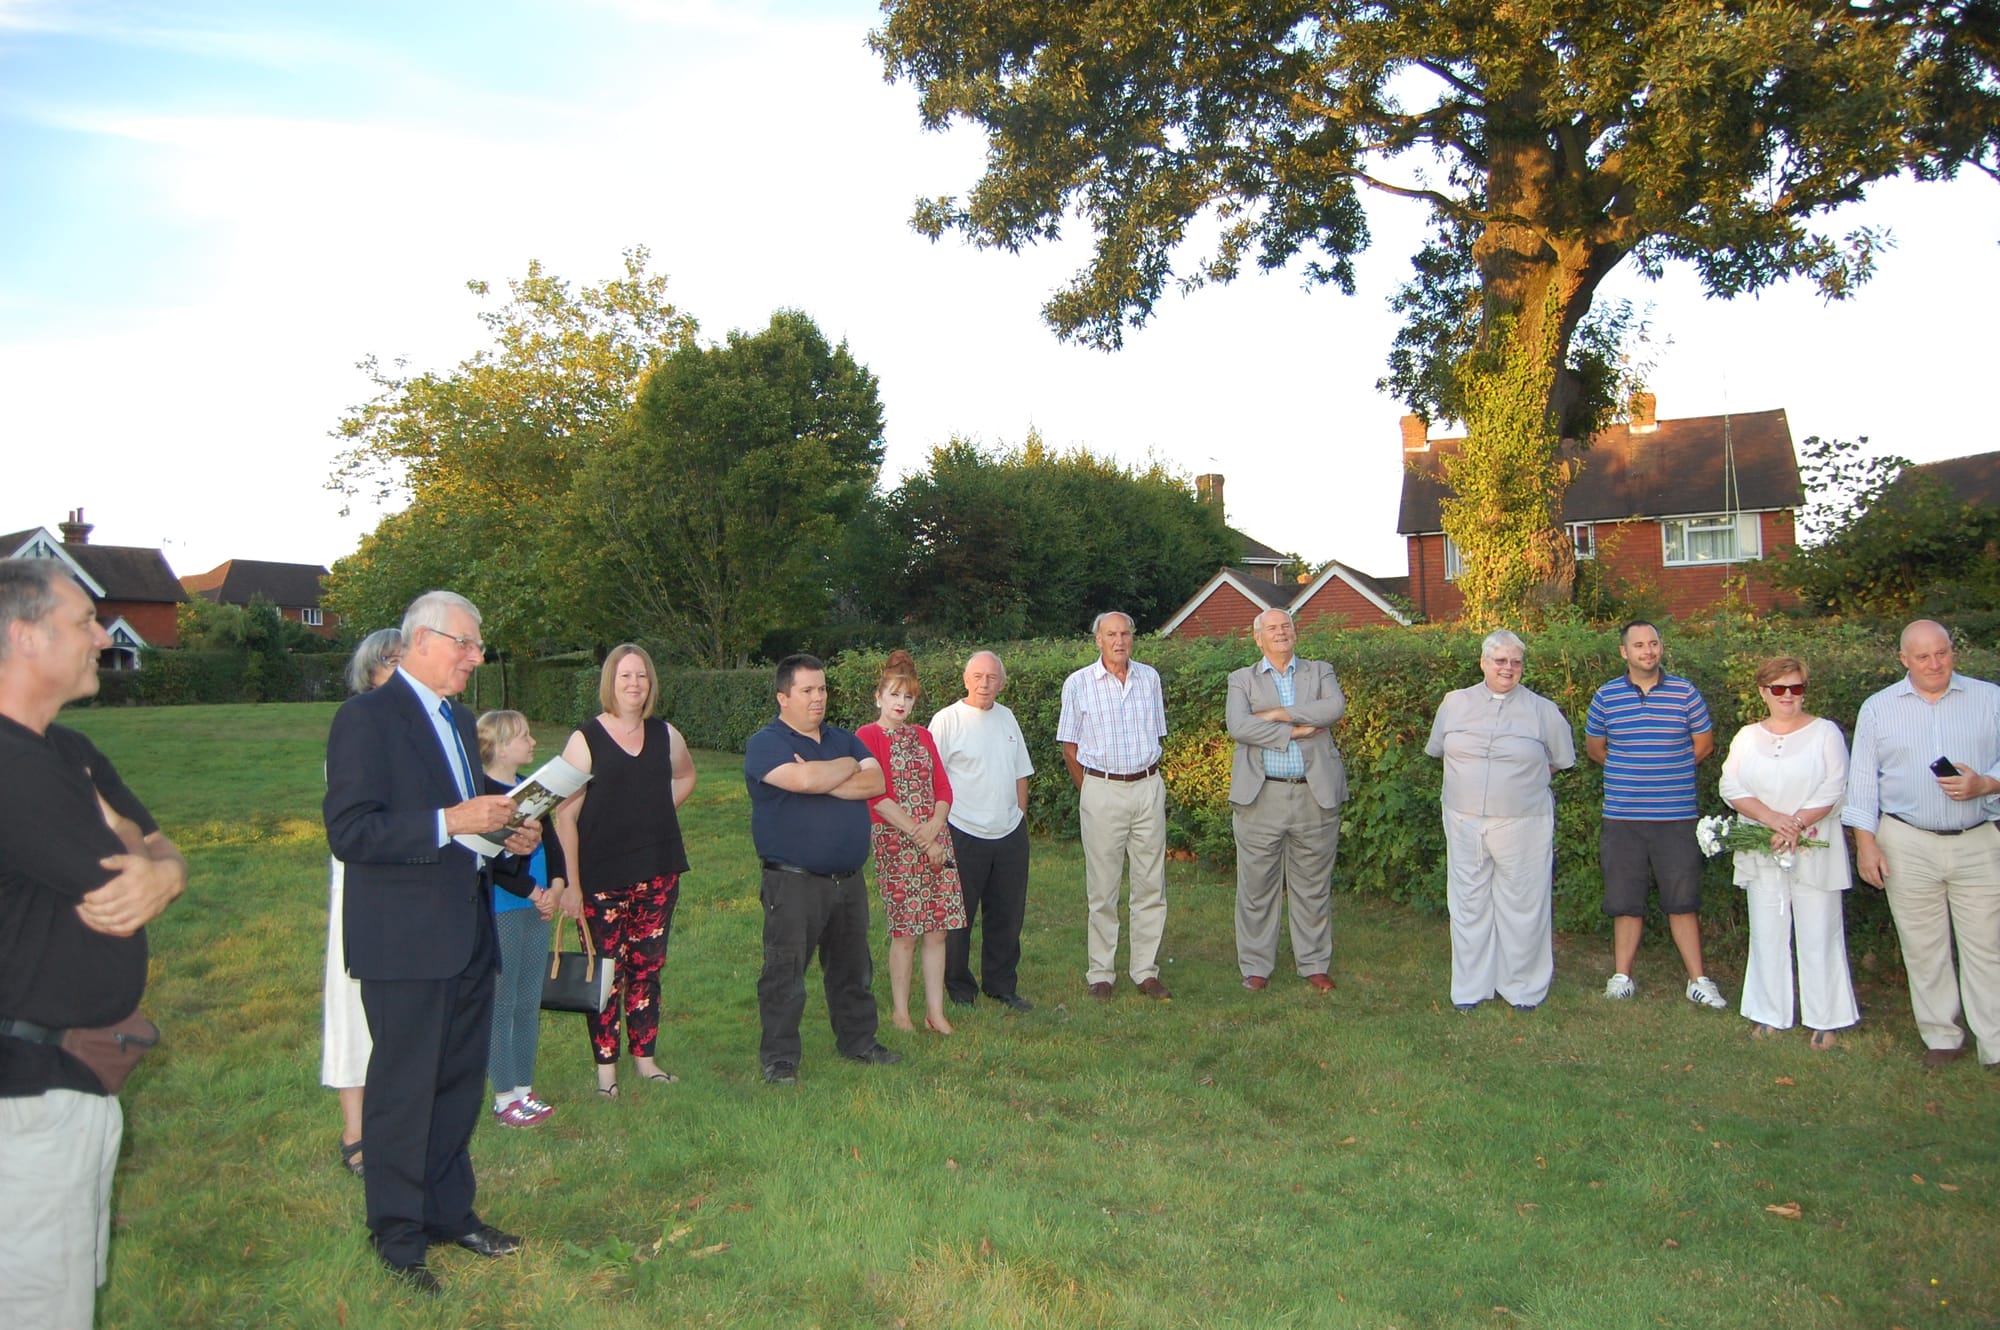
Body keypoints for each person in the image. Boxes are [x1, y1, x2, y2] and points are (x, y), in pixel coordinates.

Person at [323, 589, 534, 1293]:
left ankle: (449, 1213)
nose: (476, 657)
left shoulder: (459, 717)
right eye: (465, 643)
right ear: (421, 641)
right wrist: (451, 819)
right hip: (404, 940)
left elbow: (470, 827)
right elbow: (351, 832)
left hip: (467, 929)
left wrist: (510, 836)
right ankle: (397, 1234)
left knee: (454, 1084)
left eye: (478, 645)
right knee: (403, 1090)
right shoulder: (365, 719)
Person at [0, 559, 186, 1330]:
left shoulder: (68, 749)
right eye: (81, 622)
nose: (100, 638)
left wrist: (165, 873)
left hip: (67, 1084)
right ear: (21, 634)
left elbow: (155, 845)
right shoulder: (12, 767)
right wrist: (144, 854)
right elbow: (116, 860)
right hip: (23, 1102)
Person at [1842, 619, 2000, 1070]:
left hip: (1978, 840)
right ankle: (1943, 1037)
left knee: (1987, 947)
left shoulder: (1990, 699)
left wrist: (1986, 783)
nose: (1935, 663)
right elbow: (1863, 783)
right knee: (1922, 947)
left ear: (1953, 652)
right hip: (1906, 840)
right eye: (1923, 656)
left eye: (1942, 653)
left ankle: (1996, 1044)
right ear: (1903, 660)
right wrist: (1865, 844)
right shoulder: (1878, 708)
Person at [746, 653, 898, 1085]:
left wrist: (828, 772)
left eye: (823, 689)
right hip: (792, 882)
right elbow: (804, 782)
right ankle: (780, 1060)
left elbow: (877, 782)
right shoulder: (766, 744)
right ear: (783, 697)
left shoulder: (843, 738)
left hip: (847, 881)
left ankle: (859, 1042)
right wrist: (841, 771)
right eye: (808, 690)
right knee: (784, 973)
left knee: (853, 969)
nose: (819, 698)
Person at [551, 644, 695, 1097]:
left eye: (642, 677)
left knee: (646, 969)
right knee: (606, 977)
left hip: (657, 872)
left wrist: (656, 814)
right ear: (610, 683)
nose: (634, 685)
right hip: (600, 879)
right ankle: (606, 1074)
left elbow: (686, 776)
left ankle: (646, 1061)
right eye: (625, 677)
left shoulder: (666, 735)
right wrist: (572, 885)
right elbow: (564, 816)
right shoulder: (586, 739)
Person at [1425, 630, 1576, 1011]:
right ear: (1483, 662)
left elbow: (1560, 760)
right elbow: (1441, 750)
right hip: (1463, 821)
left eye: (1515, 662)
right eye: (1500, 661)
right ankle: (1471, 988)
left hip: (1523, 822)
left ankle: (1522, 988)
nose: (1507, 668)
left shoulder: (1543, 710)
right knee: (1468, 903)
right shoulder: (1454, 704)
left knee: (1523, 904)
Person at [1585, 620, 1727, 1009]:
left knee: (1683, 900)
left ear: (1660, 648)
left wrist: (1668, 769)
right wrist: (1631, 772)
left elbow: (1704, 745)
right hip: (1623, 816)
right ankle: (1621, 977)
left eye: (1653, 644)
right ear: (1624, 653)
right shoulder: (1606, 696)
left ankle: (1698, 980)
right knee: (1625, 900)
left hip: (1676, 815)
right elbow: (1596, 748)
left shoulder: (1685, 692)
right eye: (1639, 646)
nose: (1648, 651)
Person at [1718, 656, 1858, 1048]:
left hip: (1813, 845)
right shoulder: (1746, 737)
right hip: (1763, 846)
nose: (1788, 696)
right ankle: (1768, 1012)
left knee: (1820, 932)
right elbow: (1731, 786)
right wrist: (1772, 820)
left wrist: (1794, 824)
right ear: (1764, 691)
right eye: (1779, 689)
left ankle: (1826, 1018)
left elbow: (1835, 787)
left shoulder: (1826, 733)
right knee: (1766, 932)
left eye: (1796, 688)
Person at [1225, 608, 1346, 993]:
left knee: (1312, 885)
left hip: (1315, 794)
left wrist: (1278, 714)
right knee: (1257, 885)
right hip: (1261, 796)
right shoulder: (1241, 679)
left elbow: (1333, 708)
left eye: (1286, 626)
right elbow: (1239, 726)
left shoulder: (1319, 671)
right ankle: (1256, 965)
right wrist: (1294, 732)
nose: (1280, 633)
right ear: (1257, 638)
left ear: (1295, 633)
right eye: (1271, 629)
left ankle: (1313, 963)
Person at [1057, 611, 1172, 1000]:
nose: (1119, 641)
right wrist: (1089, 790)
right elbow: (1069, 746)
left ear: (1132, 638)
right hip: (1102, 789)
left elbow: (1157, 734)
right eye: (1111, 634)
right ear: (1098, 640)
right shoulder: (1078, 684)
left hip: (1148, 786)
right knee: (1102, 888)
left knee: (1150, 884)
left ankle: (1145, 970)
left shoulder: (1150, 679)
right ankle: (1101, 974)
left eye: (1125, 633)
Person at [322, 626, 401, 1180]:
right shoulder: (357, 723)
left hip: (419, 889)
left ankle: (398, 1124)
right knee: (352, 1003)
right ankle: (356, 1130)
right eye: (391, 660)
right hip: (365, 884)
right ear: (370, 670)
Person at [857, 651, 969, 1034]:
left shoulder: (923, 736)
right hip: (896, 840)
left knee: (938, 929)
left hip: (936, 838)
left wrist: (936, 824)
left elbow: (943, 786)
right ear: (879, 698)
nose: (901, 704)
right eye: (894, 695)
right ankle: (901, 1012)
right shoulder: (867, 737)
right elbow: (877, 796)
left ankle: (935, 1013)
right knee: (906, 931)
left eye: (908, 698)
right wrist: (921, 836)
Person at [930, 650, 1036, 1013]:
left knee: (1007, 916)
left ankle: (1001, 985)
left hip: (1008, 833)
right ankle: (960, 990)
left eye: (991, 677)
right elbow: (933, 778)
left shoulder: (1007, 718)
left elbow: (1021, 772)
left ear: (1002, 683)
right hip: (962, 830)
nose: (984, 684)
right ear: (965, 680)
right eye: (977, 676)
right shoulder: (947, 721)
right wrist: (938, 831)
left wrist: (1019, 818)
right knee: (959, 918)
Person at [478, 710, 564, 1125]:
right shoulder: (485, 796)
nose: (533, 742)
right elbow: (491, 860)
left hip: (539, 904)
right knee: (502, 1002)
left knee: (529, 1001)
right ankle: (503, 1096)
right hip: (506, 908)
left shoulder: (530, 791)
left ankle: (525, 1090)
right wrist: (533, 891)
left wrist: (558, 885)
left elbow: (552, 841)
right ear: (499, 745)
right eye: (524, 736)